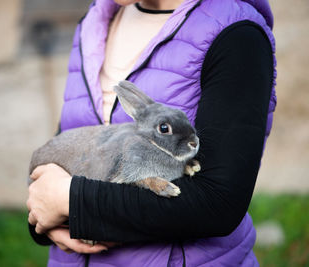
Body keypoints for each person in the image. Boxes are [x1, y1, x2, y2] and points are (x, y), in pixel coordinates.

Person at [27, 0, 277, 266]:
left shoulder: (236, 35)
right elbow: (59, 156)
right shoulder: (94, 21)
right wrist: (43, 219)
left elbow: (218, 204)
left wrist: (71, 201)